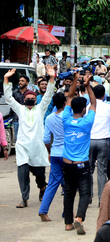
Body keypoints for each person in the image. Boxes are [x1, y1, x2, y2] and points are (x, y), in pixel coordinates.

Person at [3, 68, 54, 208]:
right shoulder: (20, 108)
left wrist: (51, 78)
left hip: (37, 147)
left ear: (35, 100)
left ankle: (42, 187)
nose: (30, 100)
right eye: (28, 99)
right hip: (23, 146)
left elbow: (49, 95)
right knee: (22, 172)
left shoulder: (40, 108)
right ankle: (24, 198)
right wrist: (6, 79)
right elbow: (8, 98)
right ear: (24, 100)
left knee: (39, 175)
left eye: (32, 99)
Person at [62, 72, 96, 234]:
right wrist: (88, 86)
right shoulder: (87, 122)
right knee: (85, 193)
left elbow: (68, 97)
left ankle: (68, 223)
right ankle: (79, 218)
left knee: (68, 193)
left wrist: (75, 80)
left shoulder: (66, 119)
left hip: (67, 163)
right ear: (84, 109)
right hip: (82, 164)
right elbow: (94, 103)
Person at [88, 84, 110, 205]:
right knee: (102, 170)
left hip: (90, 140)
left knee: (89, 169)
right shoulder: (108, 107)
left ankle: (88, 196)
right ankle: (101, 199)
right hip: (103, 140)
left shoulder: (89, 106)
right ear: (104, 95)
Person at [38, 92, 66, 221]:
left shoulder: (49, 118)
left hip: (55, 153)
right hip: (68, 154)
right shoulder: (68, 116)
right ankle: (67, 213)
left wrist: (50, 151)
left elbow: (46, 139)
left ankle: (43, 211)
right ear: (65, 103)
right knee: (69, 184)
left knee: (52, 183)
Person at [11, 73, 30, 140]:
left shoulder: (30, 93)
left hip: (27, 119)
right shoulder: (14, 93)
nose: (20, 82)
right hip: (17, 119)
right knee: (17, 138)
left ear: (27, 83)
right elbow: (12, 106)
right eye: (19, 81)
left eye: (22, 81)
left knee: (27, 138)